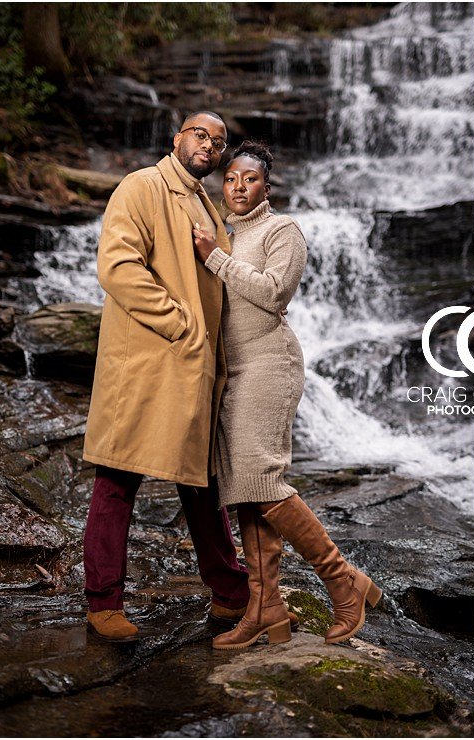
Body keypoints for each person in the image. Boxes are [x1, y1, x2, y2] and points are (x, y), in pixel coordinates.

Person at [190, 141, 383, 649]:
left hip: (271, 365)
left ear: (265, 187)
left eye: (248, 180)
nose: (237, 187)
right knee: (247, 491)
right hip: (234, 373)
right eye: (230, 179)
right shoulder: (225, 235)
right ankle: (264, 607)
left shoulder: (282, 231)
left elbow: (275, 293)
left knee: (265, 482)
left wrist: (214, 258)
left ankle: (343, 581)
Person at [81, 111, 250, 641]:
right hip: (148, 365)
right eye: (201, 134)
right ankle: (103, 602)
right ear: (177, 137)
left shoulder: (205, 202)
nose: (210, 145)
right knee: (117, 478)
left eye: (219, 141)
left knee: (202, 482)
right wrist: (180, 324)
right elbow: (118, 267)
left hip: (192, 368)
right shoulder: (142, 186)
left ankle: (231, 593)